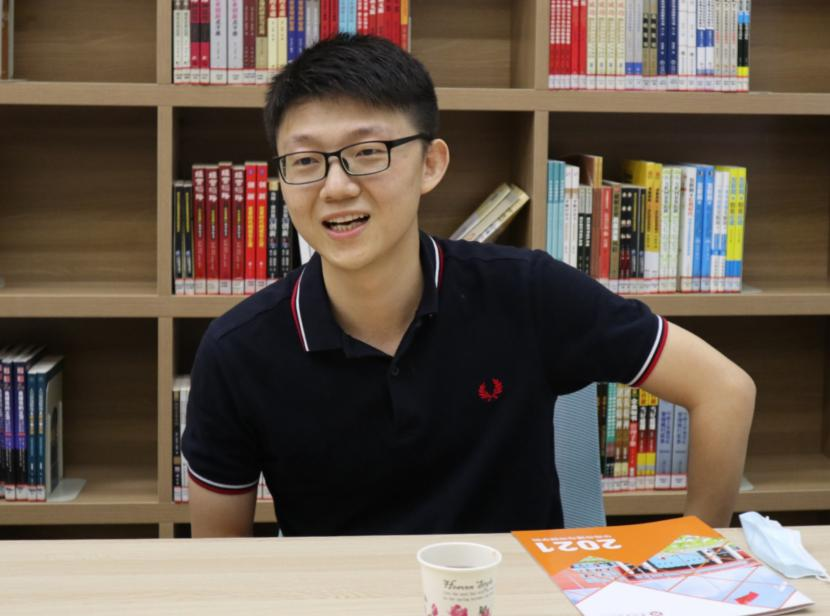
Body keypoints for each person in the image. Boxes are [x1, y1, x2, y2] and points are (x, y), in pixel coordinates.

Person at [182, 33, 755, 538]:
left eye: (367, 153)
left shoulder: (527, 292)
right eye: (306, 161)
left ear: (431, 164)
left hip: (516, 597)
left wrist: (698, 554)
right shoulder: (239, 351)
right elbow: (217, 564)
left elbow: (725, 390)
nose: (336, 187)